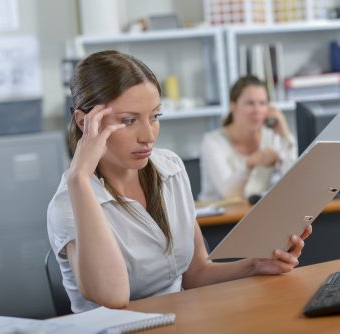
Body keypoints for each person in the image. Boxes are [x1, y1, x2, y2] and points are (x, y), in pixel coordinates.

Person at [47, 51, 311, 313]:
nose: (148, 136)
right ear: (85, 122)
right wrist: (79, 178)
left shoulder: (169, 168)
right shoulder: (71, 201)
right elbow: (114, 296)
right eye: (129, 121)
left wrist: (255, 265)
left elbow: (195, 273)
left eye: (154, 117)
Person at [199, 75, 298, 201]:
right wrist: (249, 164)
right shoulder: (213, 142)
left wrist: (285, 135)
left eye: (262, 103)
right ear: (233, 106)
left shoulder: (272, 137)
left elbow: (294, 182)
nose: (257, 110)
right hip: (219, 218)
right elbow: (229, 194)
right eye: (250, 103)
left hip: (255, 214)